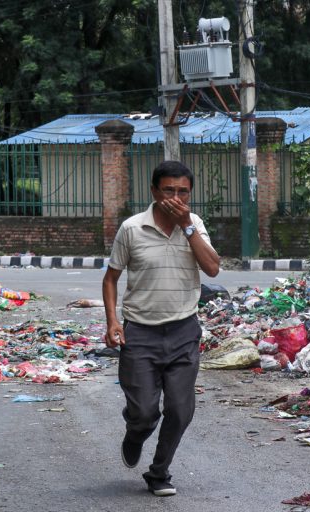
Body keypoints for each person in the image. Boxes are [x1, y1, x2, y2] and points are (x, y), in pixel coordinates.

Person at [102, 160, 220, 497]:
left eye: (183, 192)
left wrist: (187, 227)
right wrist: (112, 321)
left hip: (184, 331)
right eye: (169, 190)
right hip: (140, 333)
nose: (176, 197)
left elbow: (212, 268)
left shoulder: (194, 224)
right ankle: (136, 431)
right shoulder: (132, 228)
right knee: (143, 412)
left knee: (182, 410)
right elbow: (111, 278)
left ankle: (159, 472)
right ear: (154, 192)